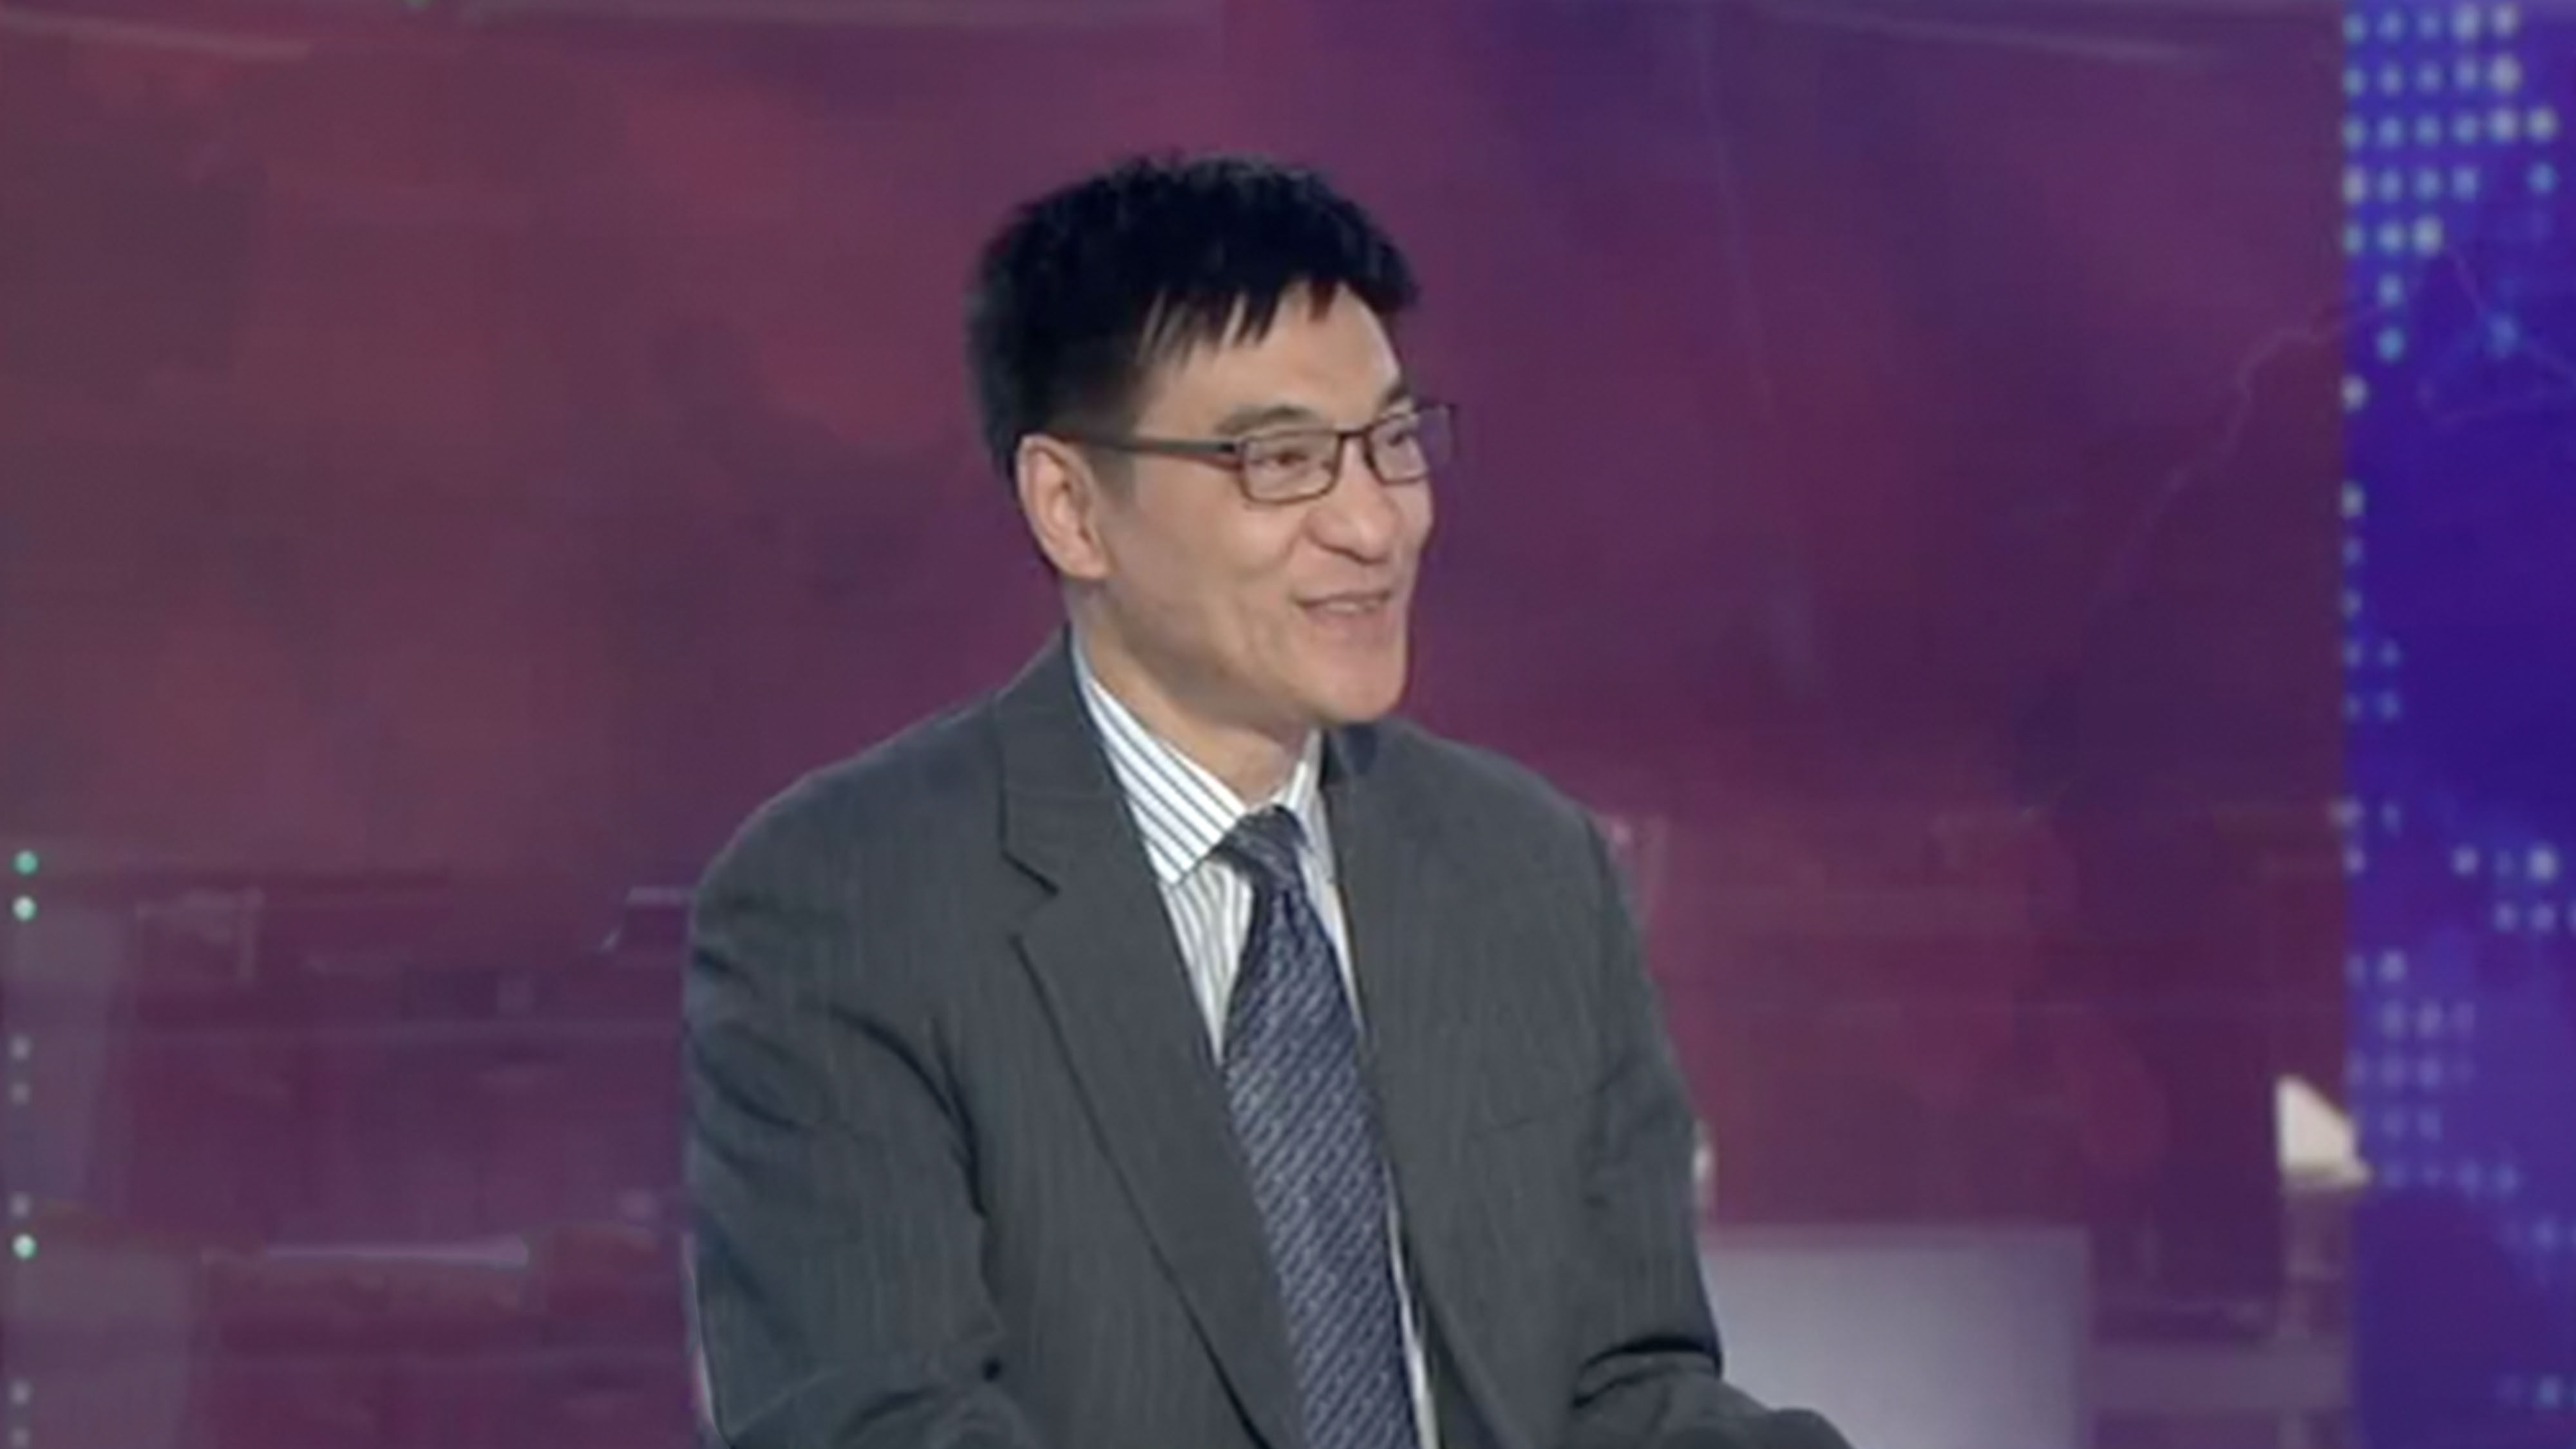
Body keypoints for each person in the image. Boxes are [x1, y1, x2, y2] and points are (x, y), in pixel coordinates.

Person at [684, 153, 1849, 1449]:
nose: (1374, 524)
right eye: (1282, 460)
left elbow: (1623, 1390)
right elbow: (872, 1423)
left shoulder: (1526, 867)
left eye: (1392, 442)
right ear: (1072, 508)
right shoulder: (849, 903)